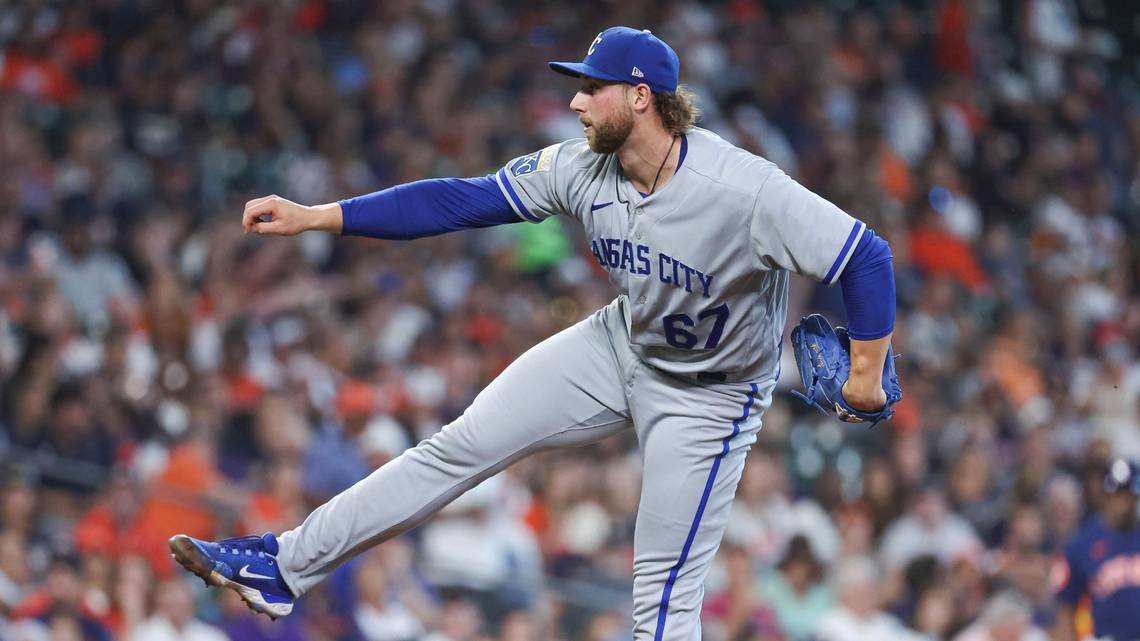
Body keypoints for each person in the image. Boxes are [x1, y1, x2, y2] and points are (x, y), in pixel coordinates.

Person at [169, 26, 897, 640]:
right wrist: (321, 216)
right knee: (459, 445)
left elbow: (865, 255)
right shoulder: (580, 167)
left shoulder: (745, 189)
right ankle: (282, 566)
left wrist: (866, 376)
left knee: (663, 596)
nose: (576, 101)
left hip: (711, 395)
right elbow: (459, 201)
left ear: (641, 97)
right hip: (623, 343)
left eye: (592, 88)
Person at [1052, 459, 1140, 641]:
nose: (1122, 503)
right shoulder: (1082, 542)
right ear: (1105, 497)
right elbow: (1065, 605)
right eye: (1116, 495)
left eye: (1127, 496)